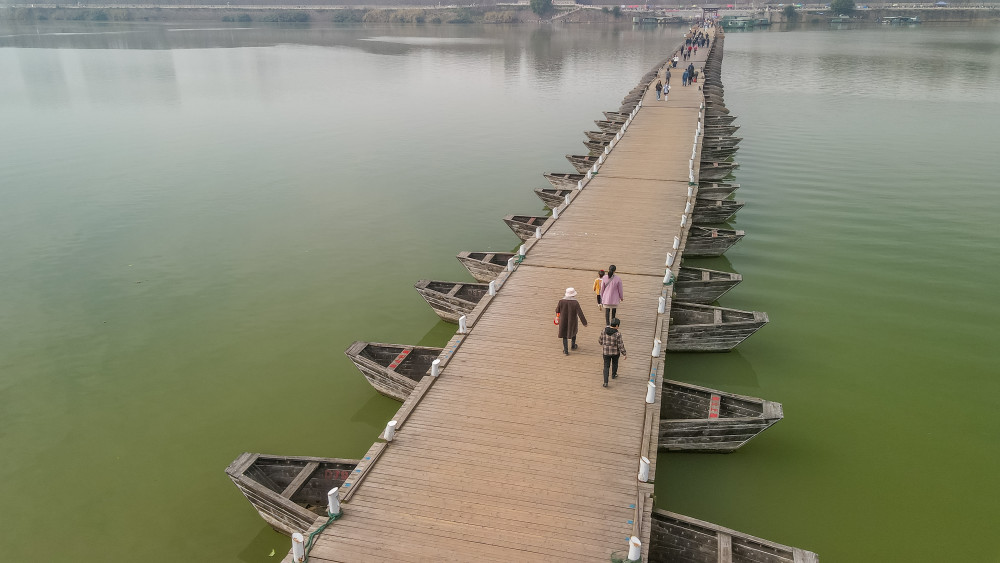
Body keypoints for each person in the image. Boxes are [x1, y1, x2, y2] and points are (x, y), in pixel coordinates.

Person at [556, 287, 588, 356]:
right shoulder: (575, 303)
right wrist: (584, 323)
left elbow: (557, 310)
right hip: (572, 320)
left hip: (563, 320)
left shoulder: (561, 301)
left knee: (564, 334)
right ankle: (573, 346)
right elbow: (580, 313)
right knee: (574, 332)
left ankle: (566, 350)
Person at [598, 318, 626, 388]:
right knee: (615, 363)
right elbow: (620, 345)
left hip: (606, 352)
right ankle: (614, 375)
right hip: (615, 353)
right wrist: (624, 353)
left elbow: (600, 341)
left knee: (606, 366)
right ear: (616, 326)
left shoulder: (604, 331)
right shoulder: (617, 334)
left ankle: (605, 382)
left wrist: (604, 344)